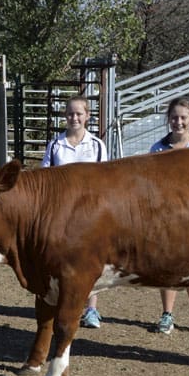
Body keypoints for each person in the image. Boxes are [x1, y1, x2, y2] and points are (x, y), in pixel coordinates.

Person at [41, 94, 108, 328]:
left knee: (90, 261)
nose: (74, 117)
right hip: (62, 214)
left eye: (79, 113)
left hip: (90, 214)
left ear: (87, 116)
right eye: (70, 113)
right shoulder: (55, 145)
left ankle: (91, 309)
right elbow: (45, 179)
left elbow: (105, 181)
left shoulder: (97, 146)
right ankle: (65, 304)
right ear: (65, 116)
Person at [149, 96, 189, 336]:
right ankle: (167, 315)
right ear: (168, 120)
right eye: (174, 117)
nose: (178, 122)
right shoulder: (158, 149)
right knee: (169, 267)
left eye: (183, 117)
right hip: (168, 217)